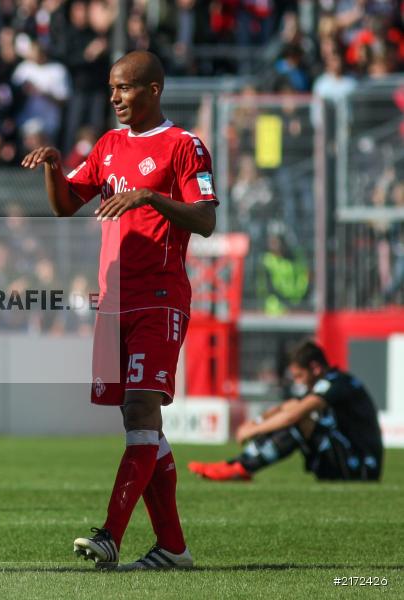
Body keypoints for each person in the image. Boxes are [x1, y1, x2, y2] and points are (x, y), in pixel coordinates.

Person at [22, 50, 217, 570]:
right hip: (112, 302)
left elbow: (205, 220)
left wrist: (150, 198)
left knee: (139, 414)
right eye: (111, 88)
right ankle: (173, 549)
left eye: (125, 88)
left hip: (159, 298)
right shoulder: (108, 146)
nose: (114, 98)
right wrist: (56, 168)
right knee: (142, 425)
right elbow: (66, 206)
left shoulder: (184, 146)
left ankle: (111, 534)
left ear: (153, 90)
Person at [189, 341, 383, 482]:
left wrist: (254, 430)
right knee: (297, 414)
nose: (297, 382)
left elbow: (295, 414)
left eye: (299, 376)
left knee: (302, 421)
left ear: (315, 368)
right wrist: (257, 421)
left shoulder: (337, 383)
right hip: (345, 460)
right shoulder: (326, 383)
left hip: (361, 467)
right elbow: (287, 406)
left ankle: (242, 467)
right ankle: (235, 465)